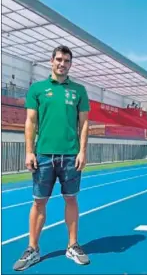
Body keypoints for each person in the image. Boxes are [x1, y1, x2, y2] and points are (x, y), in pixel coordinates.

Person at [13, 45, 90, 271]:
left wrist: (83, 151)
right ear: (51, 61)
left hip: (70, 156)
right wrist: (29, 151)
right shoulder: (37, 89)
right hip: (43, 155)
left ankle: (73, 245)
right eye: (58, 59)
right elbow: (30, 122)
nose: (62, 63)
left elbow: (84, 123)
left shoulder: (79, 90)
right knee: (38, 202)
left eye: (66, 60)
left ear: (70, 64)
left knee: (71, 199)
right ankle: (33, 249)